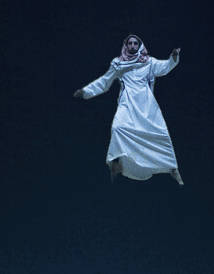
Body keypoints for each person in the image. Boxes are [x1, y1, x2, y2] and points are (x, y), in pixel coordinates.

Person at [76, 34, 184, 184]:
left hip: (146, 104)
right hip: (127, 102)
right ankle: (117, 164)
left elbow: (164, 67)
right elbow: (105, 81)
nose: (132, 46)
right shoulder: (119, 63)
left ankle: (172, 168)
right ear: (126, 46)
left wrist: (174, 57)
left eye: (135, 43)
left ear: (139, 46)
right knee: (118, 128)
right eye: (130, 43)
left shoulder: (149, 62)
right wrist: (86, 91)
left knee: (159, 133)